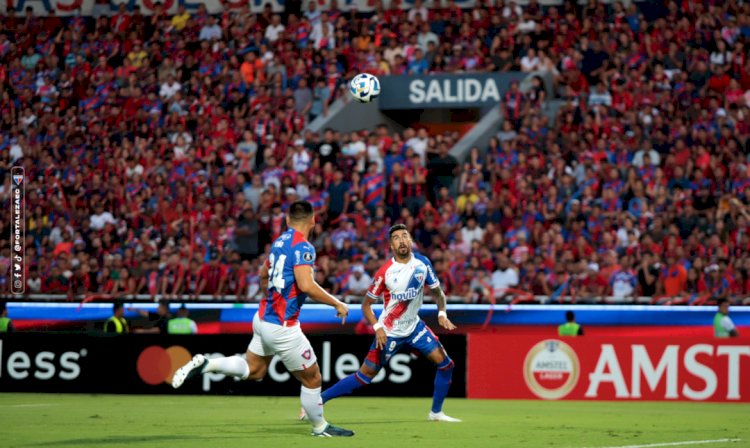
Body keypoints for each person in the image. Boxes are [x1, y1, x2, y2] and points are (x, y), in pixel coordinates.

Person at [172, 201, 354, 438]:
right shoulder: (304, 247)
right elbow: (307, 285)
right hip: (283, 327)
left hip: (262, 318)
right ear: (313, 220)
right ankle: (320, 428)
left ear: (288, 221)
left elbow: (262, 274)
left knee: (254, 370)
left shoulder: (279, 243)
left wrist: (271, 297)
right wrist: (337, 303)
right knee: (313, 378)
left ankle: (208, 364)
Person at [310, 224, 461, 422]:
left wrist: (442, 313)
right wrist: (378, 327)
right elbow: (366, 305)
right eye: (396, 238)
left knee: (446, 365)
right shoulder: (385, 273)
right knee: (365, 377)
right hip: (389, 332)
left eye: (405, 236)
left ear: (411, 241)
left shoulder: (423, 264)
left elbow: (438, 293)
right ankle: (318, 401)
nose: (402, 240)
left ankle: (436, 413)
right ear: (391, 246)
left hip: (415, 328)